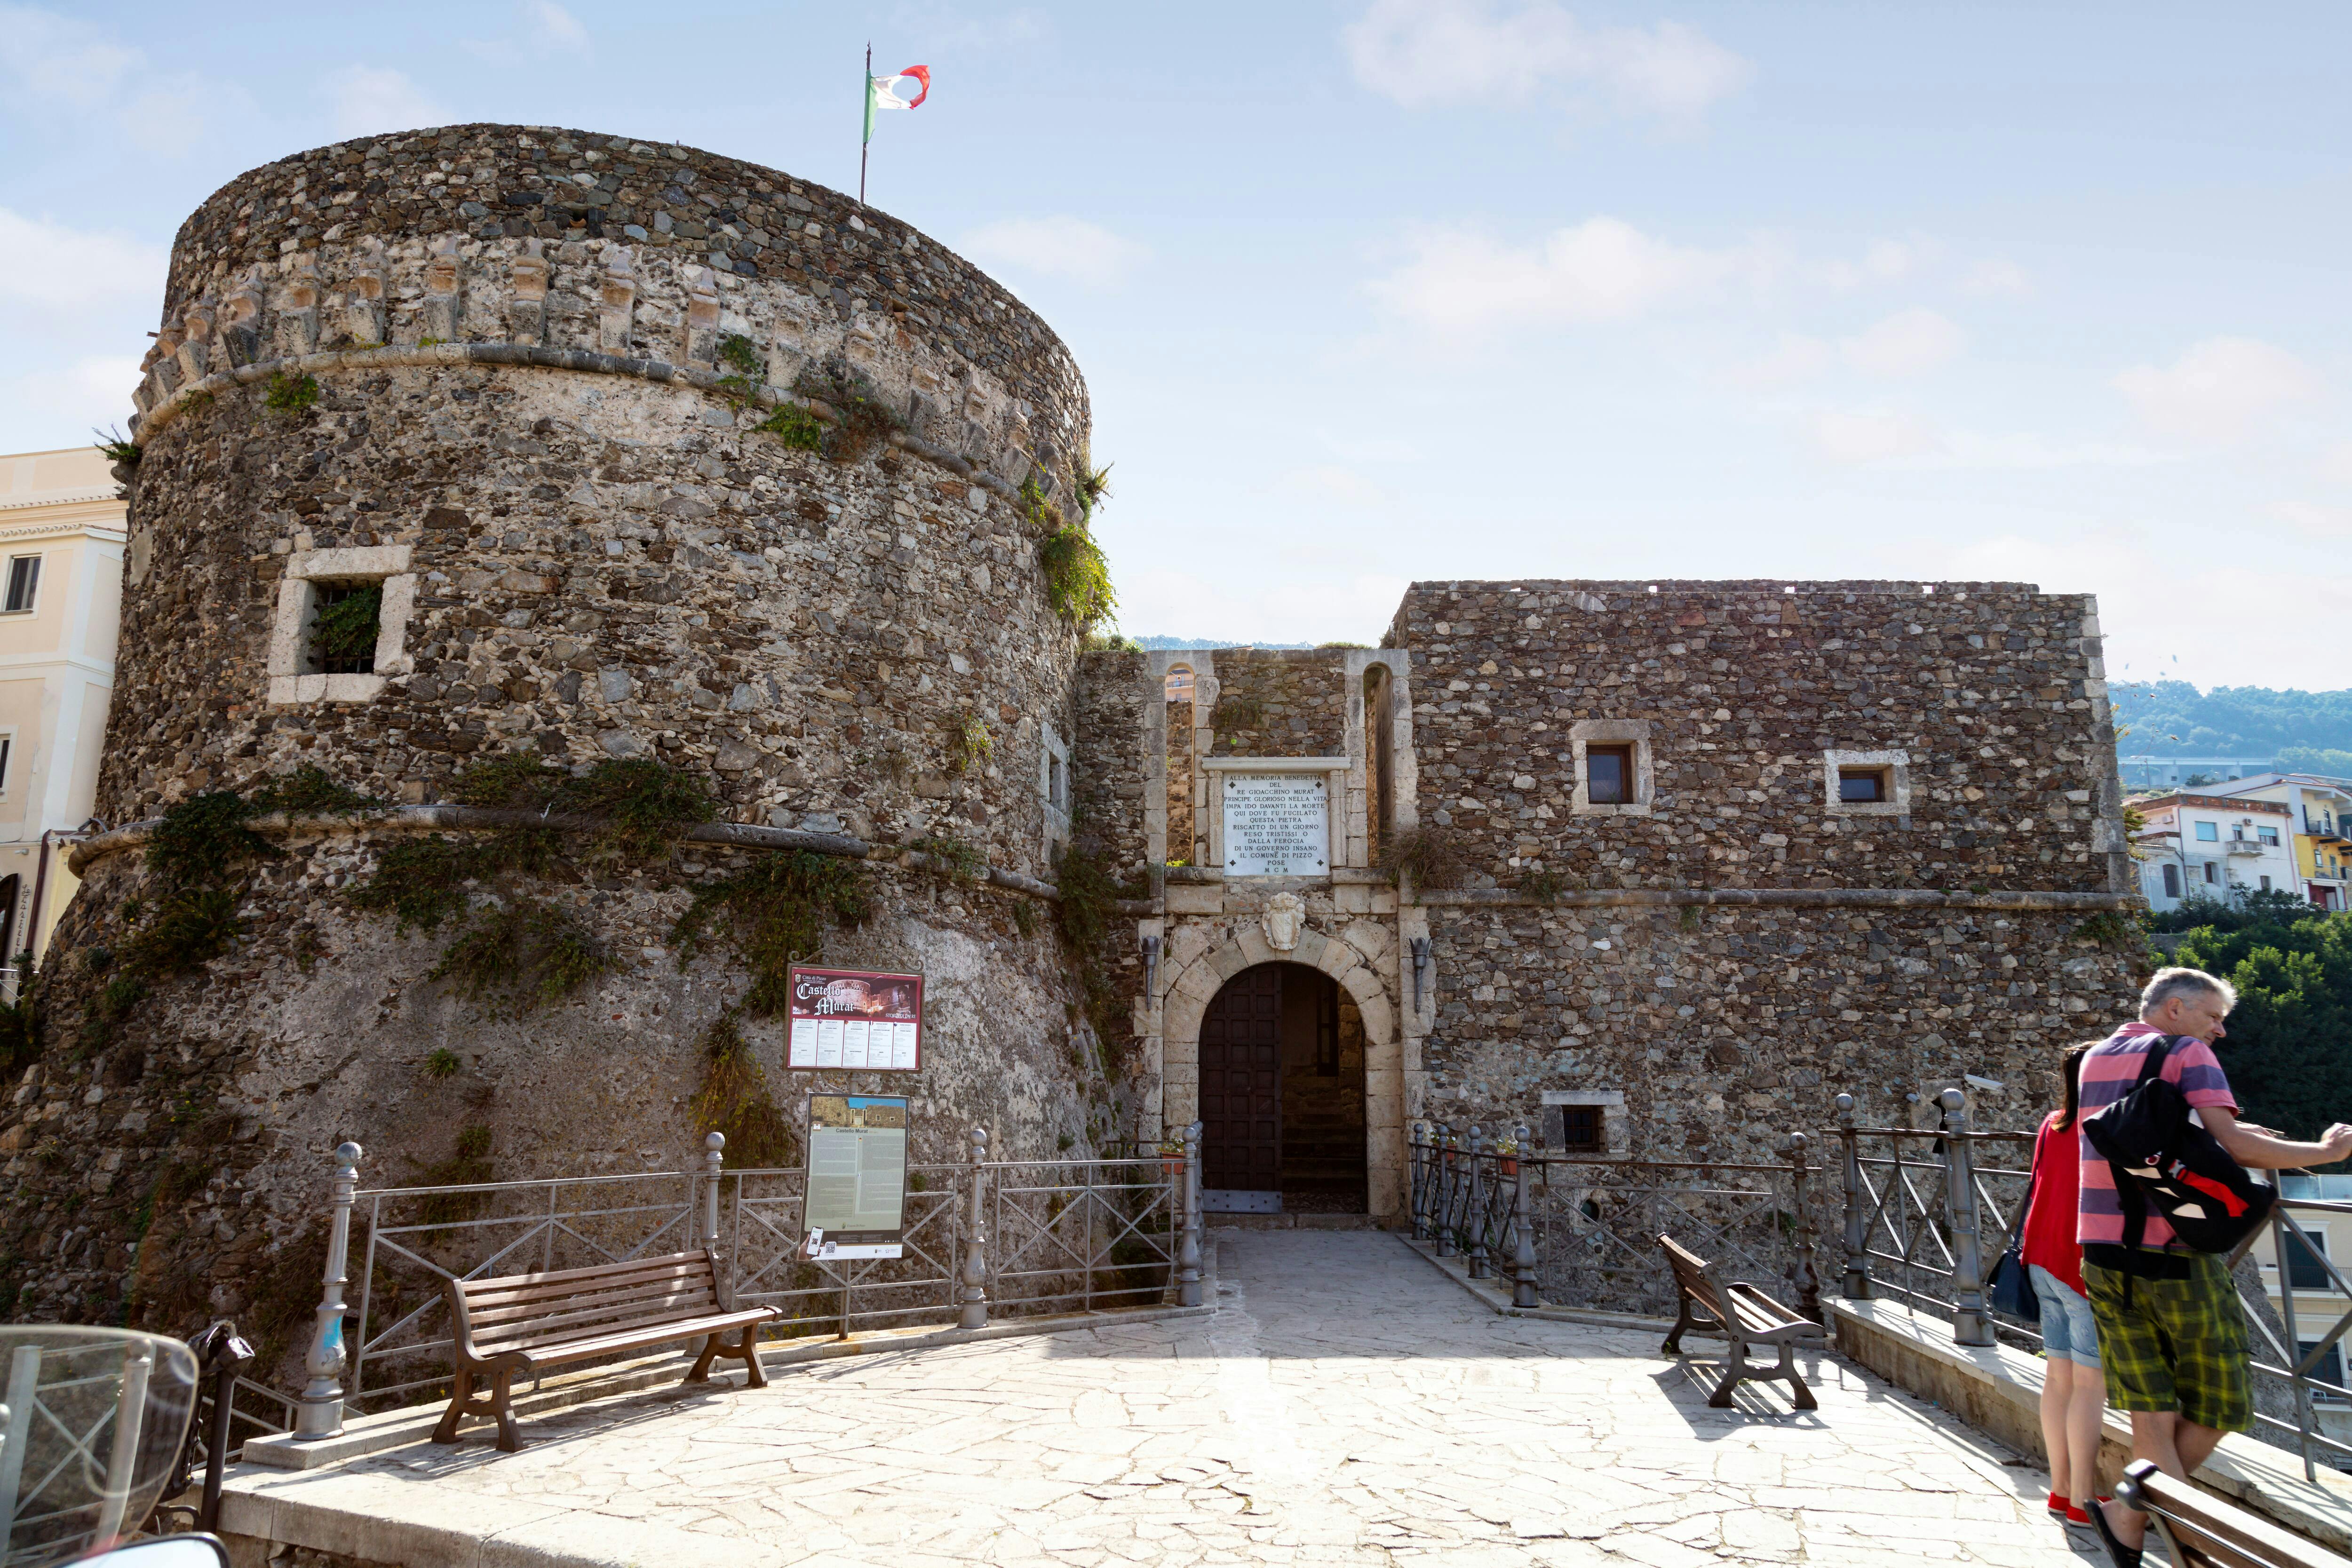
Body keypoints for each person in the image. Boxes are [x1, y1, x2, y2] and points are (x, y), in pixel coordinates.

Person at [2079, 967, 2352, 1568]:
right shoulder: (2187, 1052)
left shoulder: (2095, 1056)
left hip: (2100, 1248)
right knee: (2224, 1398)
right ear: (2174, 1009)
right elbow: (2241, 1151)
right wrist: (2327, 1152)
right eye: (2212, 1017)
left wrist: (2216, 1128)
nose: (2220, 1031)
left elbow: (2142, 1127)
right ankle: (2136, 1512)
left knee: (2151, 1404)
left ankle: (2147, 1537)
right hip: (2173, 1251)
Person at [2020, 1043, 2104, 1527]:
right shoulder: (2107, 1128)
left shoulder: (2052, 1123)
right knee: (2089, 1385)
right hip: (2080, 1261)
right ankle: (2084, 1501)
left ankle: (2058, 1489)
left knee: (2057, 1380)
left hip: (2041, 1257)